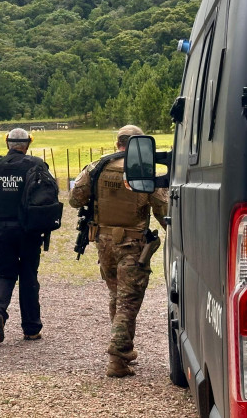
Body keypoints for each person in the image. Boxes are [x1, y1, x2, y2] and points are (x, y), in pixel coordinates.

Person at [69, 125, 168, 378]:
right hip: (133, 245)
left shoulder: (96, 167)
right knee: (128, 300)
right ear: (138, 146)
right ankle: (117, 357)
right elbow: (163, 209)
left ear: (118, 144)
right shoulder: (142, 171)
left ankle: (125, 350)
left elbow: (74, 199)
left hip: (104, 244)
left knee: (116, 295)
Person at [0, 128, 48, 343]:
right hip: (29, 231)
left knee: (5, 274)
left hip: (2, 230)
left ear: (7, 143)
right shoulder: (37, 165)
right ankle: (31, 328)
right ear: (27, 144)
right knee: (28, 277)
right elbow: (47, 196)